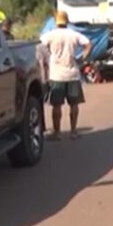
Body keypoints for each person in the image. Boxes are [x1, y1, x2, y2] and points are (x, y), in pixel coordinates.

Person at [40, 11, 92, 140]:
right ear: (67, 21)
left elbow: (40, 47)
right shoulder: (74, 34)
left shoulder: (50, 35)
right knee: (74, 104)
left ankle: (57, 133)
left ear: (56, 22)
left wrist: (46, 60)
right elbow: (88, 45)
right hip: (73, 73)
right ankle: (73, 132)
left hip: (56, 75)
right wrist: (81, 59)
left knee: (56, 105)